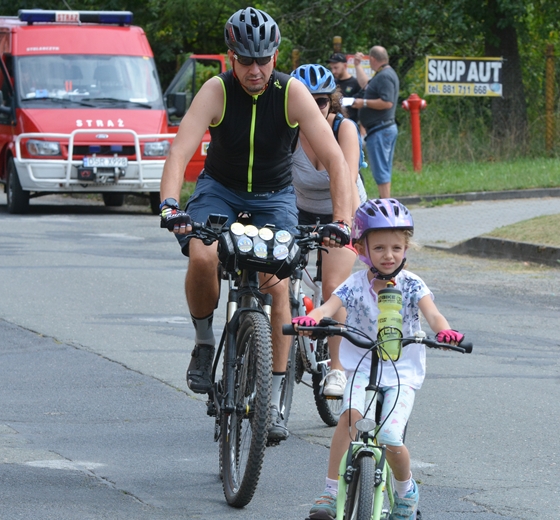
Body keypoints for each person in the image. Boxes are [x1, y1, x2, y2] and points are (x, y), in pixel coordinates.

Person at [158, 7, 354, 444]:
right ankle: (205, 340)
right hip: (219, 191)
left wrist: (342, 220)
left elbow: (337, 161)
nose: (255, 69)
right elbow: (179, 151)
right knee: (202, 253)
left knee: (276, 284)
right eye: (245, 60)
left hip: (274, 198)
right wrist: (171, 206)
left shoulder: (292, 92)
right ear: (231, 57)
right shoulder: (216, 90)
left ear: (276, 55)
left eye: (263, 60)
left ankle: (275, 393)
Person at [294, 198, 465, 520]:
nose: (389, 255)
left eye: (397, 248)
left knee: (389, 436)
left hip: (402, 371)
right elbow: (328, 308)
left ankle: (405, 493)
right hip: (360, 365)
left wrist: (446, 332)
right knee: (349, 418)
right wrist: (312, 320)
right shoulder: (355, 285)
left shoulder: (413, 284)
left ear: (406, 248)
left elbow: (434, 314)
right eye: (381, 248)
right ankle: (330, 493)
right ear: (361, 249)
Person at [290, 63, 368, 397]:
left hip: (344, 209)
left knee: (334, 284)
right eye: (305, 100)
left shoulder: (343, 128)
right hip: (300, 210)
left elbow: (347, 181)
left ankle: (337, 369)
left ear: (331, 102)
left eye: (320, 101)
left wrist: (343, 224)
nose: (313, 107)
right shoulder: (287, 130)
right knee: (275, 275)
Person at [351, 46, 399, 199]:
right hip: (379, 129)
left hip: (381, 129)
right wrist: (357, 65)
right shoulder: (382, 74)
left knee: (381, 170)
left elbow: (387, 102)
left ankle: (386, 204)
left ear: (372, 59)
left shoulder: (385, 76)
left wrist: (363, 103)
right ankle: (386, 201)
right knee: (382, 168)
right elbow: (366, 84)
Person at [326, 53, 361, 123]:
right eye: (331, 68)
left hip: (351, 123)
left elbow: (361, 106)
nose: (333, 71)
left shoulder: (355, 83)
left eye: (336, 68)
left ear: (345, 66)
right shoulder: (332, 83)